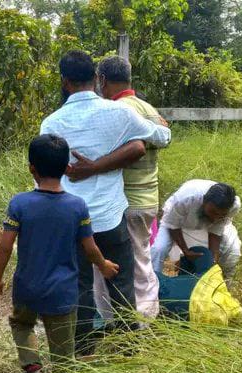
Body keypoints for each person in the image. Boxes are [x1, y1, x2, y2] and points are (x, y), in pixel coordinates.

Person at [40, 50, 171, 356]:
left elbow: (46, 173)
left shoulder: (51, 123)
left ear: (65, 81)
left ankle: (83, 348)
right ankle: (128, 346)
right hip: (111, 219)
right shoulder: (119, 114)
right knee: (121, 280)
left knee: (80, 284)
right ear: (95, 80)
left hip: (72, 220)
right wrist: (160, 125)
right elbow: (161, 137)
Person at [0, 135, 120, 373]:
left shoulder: (20, 203)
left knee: (22, 323)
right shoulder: (77, 206)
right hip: (63, 292)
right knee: (63, 357)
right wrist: (103, 265)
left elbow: (5, 246)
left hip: (27, 287)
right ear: (67, 169)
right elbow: (90, 248)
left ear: (32, 169)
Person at [73, 55, 170, 320]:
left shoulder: (119, 111)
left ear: (102, 80)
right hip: (148, 198)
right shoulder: (147, 108)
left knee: (120, 266)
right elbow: (164, 134)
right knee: (142, 260)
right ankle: (143, 317)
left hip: (125, 201)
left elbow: (134, 150)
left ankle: (132, 323)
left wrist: (92, 167)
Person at [151, 180, 242, 283]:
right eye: (213, 212)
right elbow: (173, 225)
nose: (215, 217)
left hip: (205, 224)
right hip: (177, 221)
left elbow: (216, 231)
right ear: (204, 201)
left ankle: (220, 288)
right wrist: (185, 250)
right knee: (159, 248)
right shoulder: (186, 199)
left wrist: (211, 261)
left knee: (232, 251)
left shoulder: (233, 206)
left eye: (221, 215)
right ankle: (153, 285)